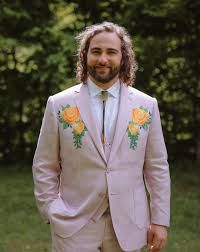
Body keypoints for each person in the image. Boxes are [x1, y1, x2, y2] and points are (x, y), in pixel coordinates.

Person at [32, 22, 170, 252]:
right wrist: (51, 210)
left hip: (130, 226)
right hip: (73, 226)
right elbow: (44, 165)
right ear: (85, 55)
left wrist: (160, 220)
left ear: (123, 57)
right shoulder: (58, 104)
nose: (103, 59)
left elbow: (157, 168)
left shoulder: (146, 106)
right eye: (96, 51)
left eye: (111, 52)